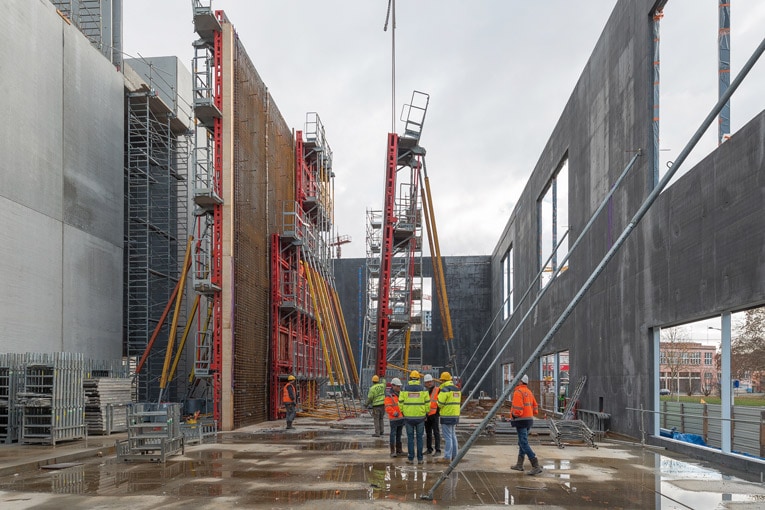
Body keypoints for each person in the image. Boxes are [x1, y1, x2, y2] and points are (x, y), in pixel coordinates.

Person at [510, 374, 543, 475]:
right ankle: (519, 464)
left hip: (521, 420)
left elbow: (517, 410)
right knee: (522, 442)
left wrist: (514, 415)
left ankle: (535, 465)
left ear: (520, 382)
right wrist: (529, 413)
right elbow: (535, 407)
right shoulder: (529, 392)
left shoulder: (518, 392)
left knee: (523, 442)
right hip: (529, 420)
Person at [398, 370, 429, 464]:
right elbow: (427, 403)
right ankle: (420, 459)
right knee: (420, 438)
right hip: (420, 417)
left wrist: (403, 412)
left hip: (408, 418)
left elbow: (400, 403)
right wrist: (426, 414)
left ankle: (411, 458)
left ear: (410, 378)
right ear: (419, 378)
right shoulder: (423, 389)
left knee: (410, 438)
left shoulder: (404, 388)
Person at [436, 371, 461, 463]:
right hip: (455, 415)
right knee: (453, 435)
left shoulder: (445, 390)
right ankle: (455, 455)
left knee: (448, 437)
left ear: (442, 380)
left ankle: (447, 457)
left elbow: (440, 403)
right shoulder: (456, 389)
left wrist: (436, 402)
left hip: (446, 415)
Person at [384, 377, 405, 457]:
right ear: (393, 386)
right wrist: (394, 413)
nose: (399, 387)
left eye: (399, 386)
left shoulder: (401, 394)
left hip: (401, 418)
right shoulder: (389, 395)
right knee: (393, 434)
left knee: (399, 434)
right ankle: (392, 451)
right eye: (398, 386)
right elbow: (387, 407)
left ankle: (399, 450)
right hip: (394, 418)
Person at [424, 374, 442, 455]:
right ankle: (429, 449)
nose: (429, 383)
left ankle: (438, 450)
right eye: (428, 382)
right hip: (427, 414)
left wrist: (438, 412)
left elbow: (440, 401)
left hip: (434, 414)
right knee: (428, 433)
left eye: (430, 381)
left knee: (436, 432)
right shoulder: (424, 392)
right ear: (425, 383)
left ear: (433, 381)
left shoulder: (438, 390)